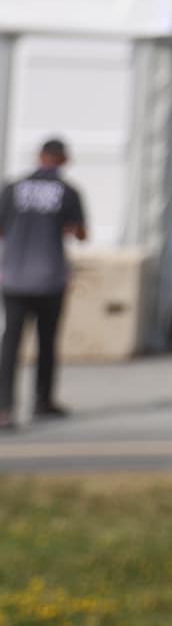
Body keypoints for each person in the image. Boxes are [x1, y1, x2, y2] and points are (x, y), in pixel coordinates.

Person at [0, 138, 89, 429]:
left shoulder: (12, 188)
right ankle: (43, 401)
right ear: (63, 159)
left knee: (10, 343)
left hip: (14, 277)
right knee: (47, 341)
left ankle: (4, 409)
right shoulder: (68, 192)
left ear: (40, 157)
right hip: (50, 277)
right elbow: (79, 233)